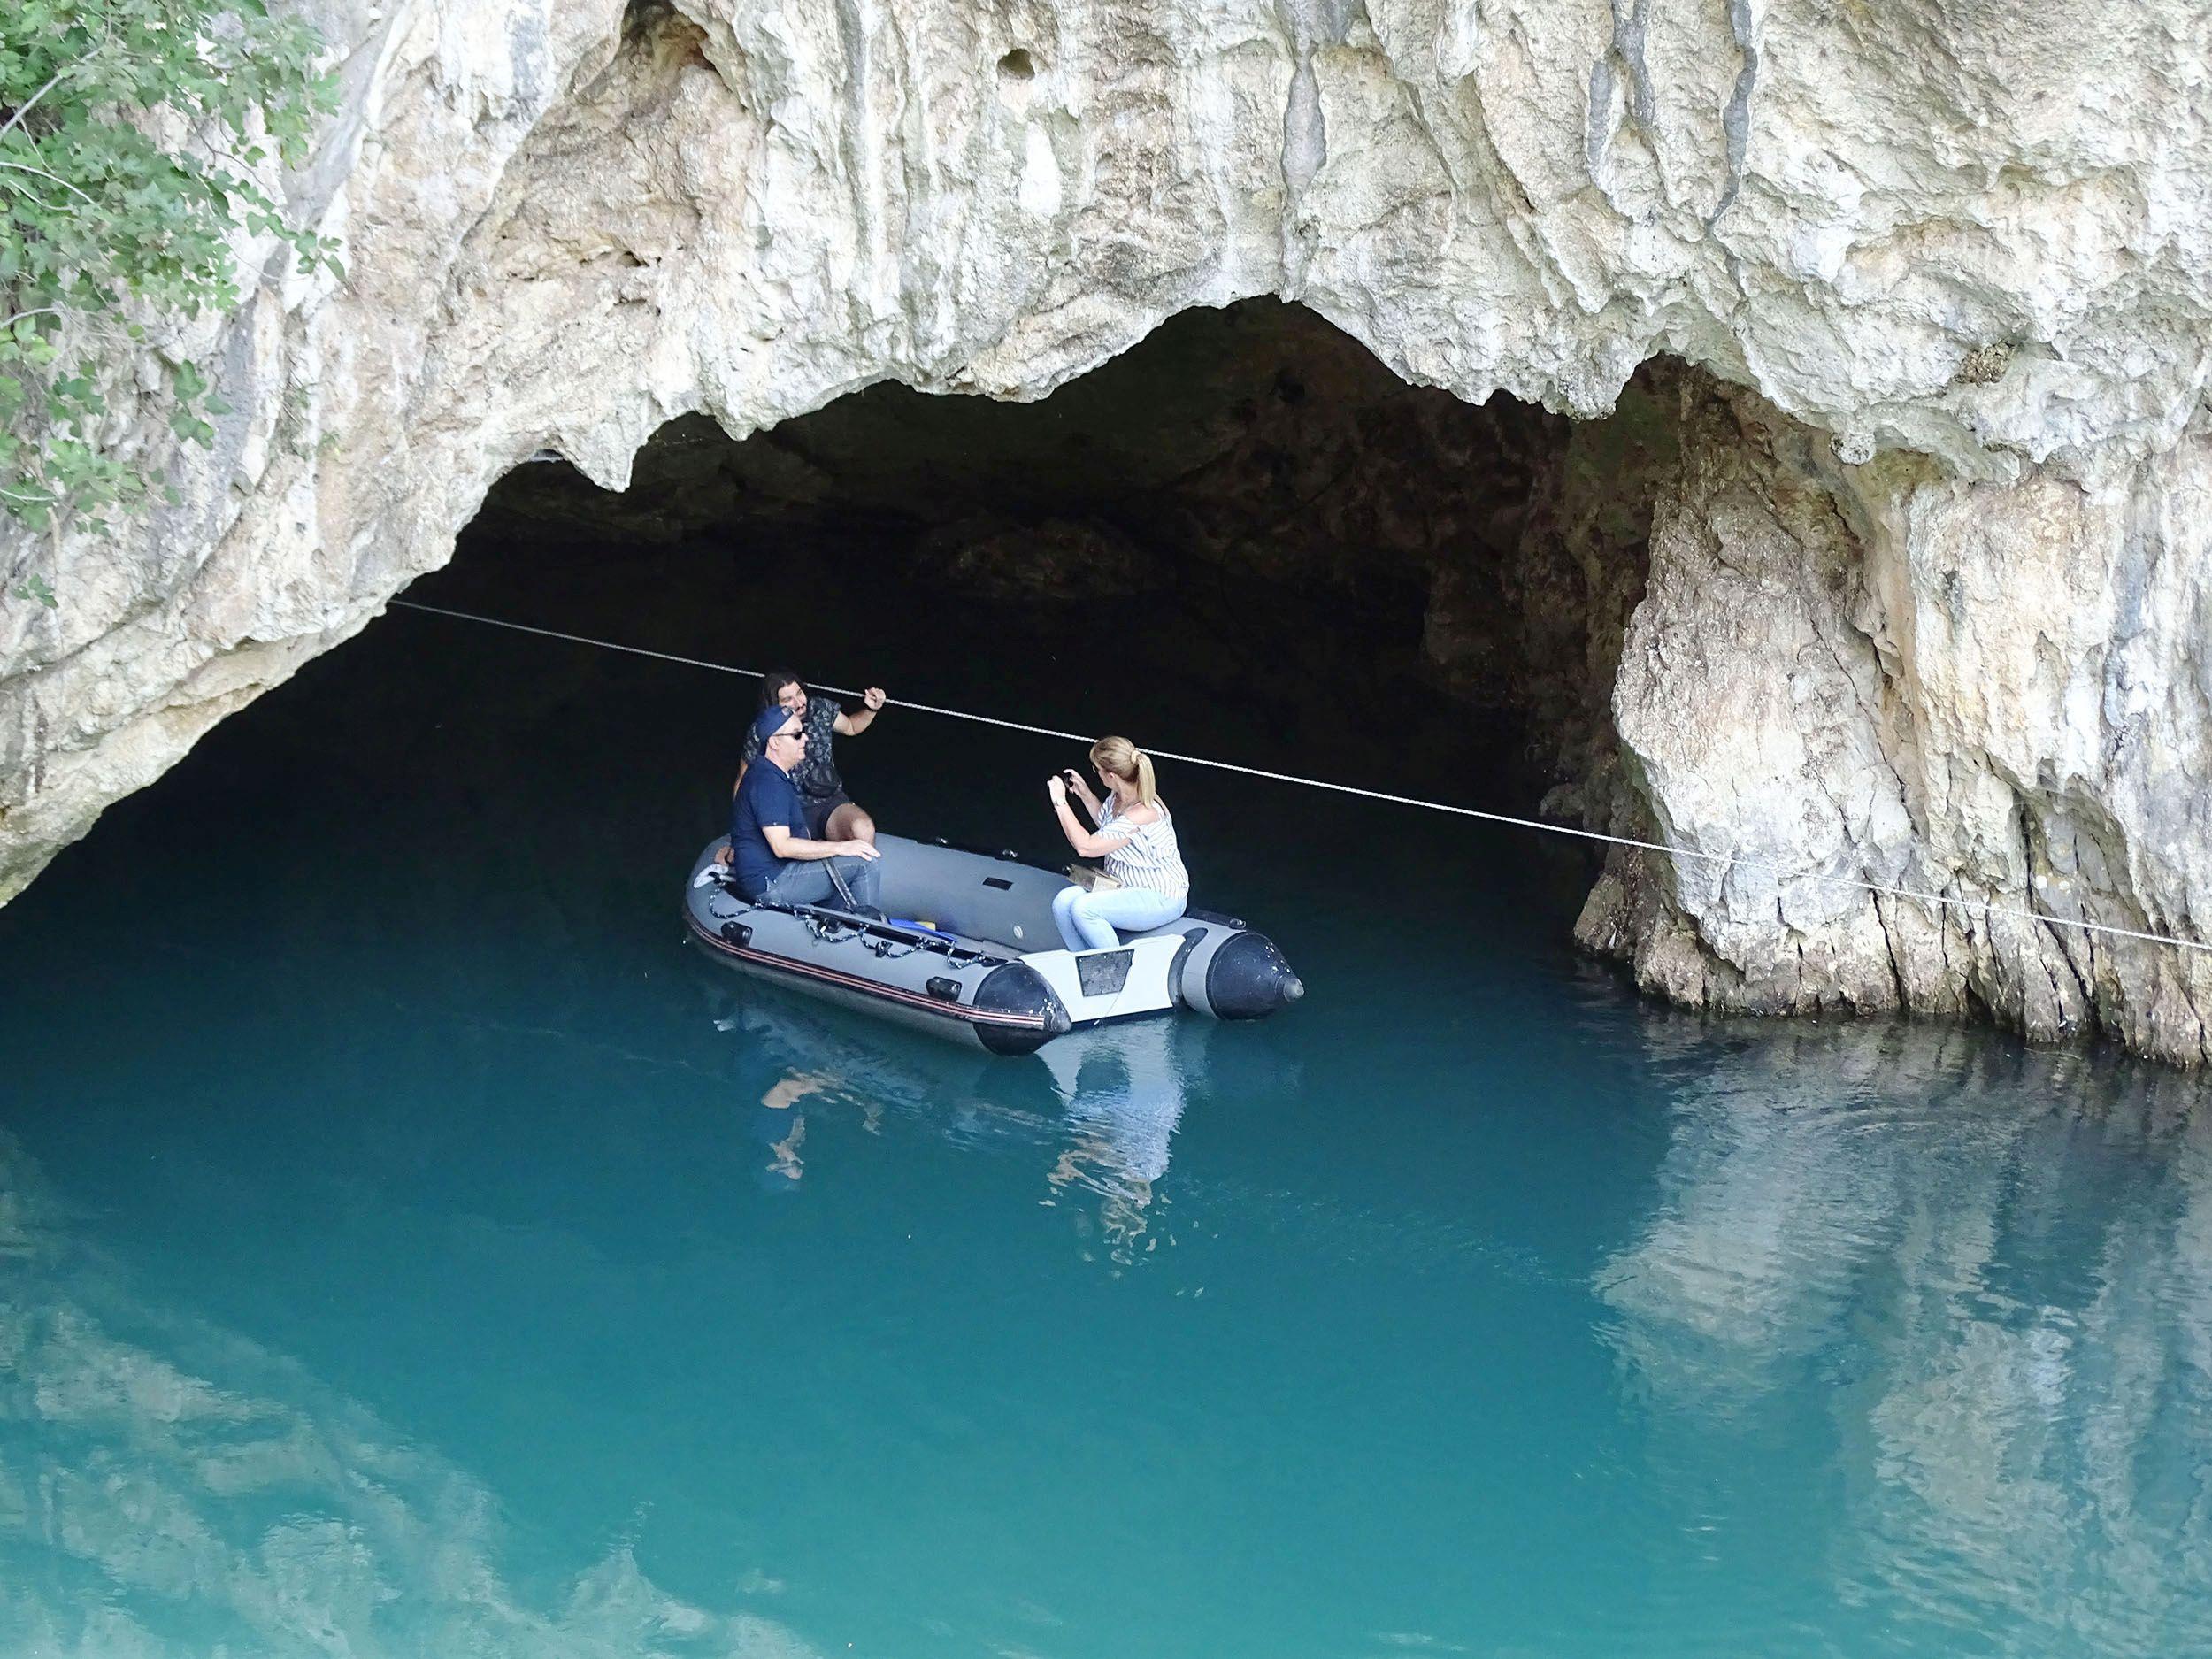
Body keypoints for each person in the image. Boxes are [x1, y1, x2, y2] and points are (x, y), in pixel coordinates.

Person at [726, 703, 884, 915]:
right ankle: (869, 936)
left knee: (844, 872)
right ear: (774, 743)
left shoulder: (772, 773)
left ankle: (843, 923)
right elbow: (781, 847)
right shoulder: (768, 784)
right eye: (797, 735)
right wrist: (840, 847)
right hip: (772, 883)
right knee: (865, 863)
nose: (806, 738)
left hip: (778, 872)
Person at [1045, 735, 1189, 950]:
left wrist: (1060, 801)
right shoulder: (1118, 797)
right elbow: (1108, 830)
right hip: (1125, 885)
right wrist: (1085, 795)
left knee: (1085, 909)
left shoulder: (1143, 813)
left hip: (1161, 896)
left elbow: (1086, 847)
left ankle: (1115, 971)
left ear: (1111, 776)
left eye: (1097, 770)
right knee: (1062, 903)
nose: (1096, 774)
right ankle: (1085, 965)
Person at [732, 669, 887, 846]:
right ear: (774, 705)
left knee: (863, 829)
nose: (799, 703)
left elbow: (851, 727)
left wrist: (871, 709)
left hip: (829, 802)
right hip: (786, 810)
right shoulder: (762, 731)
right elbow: (743, 781)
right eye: (787, 699)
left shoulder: (820, 709)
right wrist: (740, 835)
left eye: (799, 693)